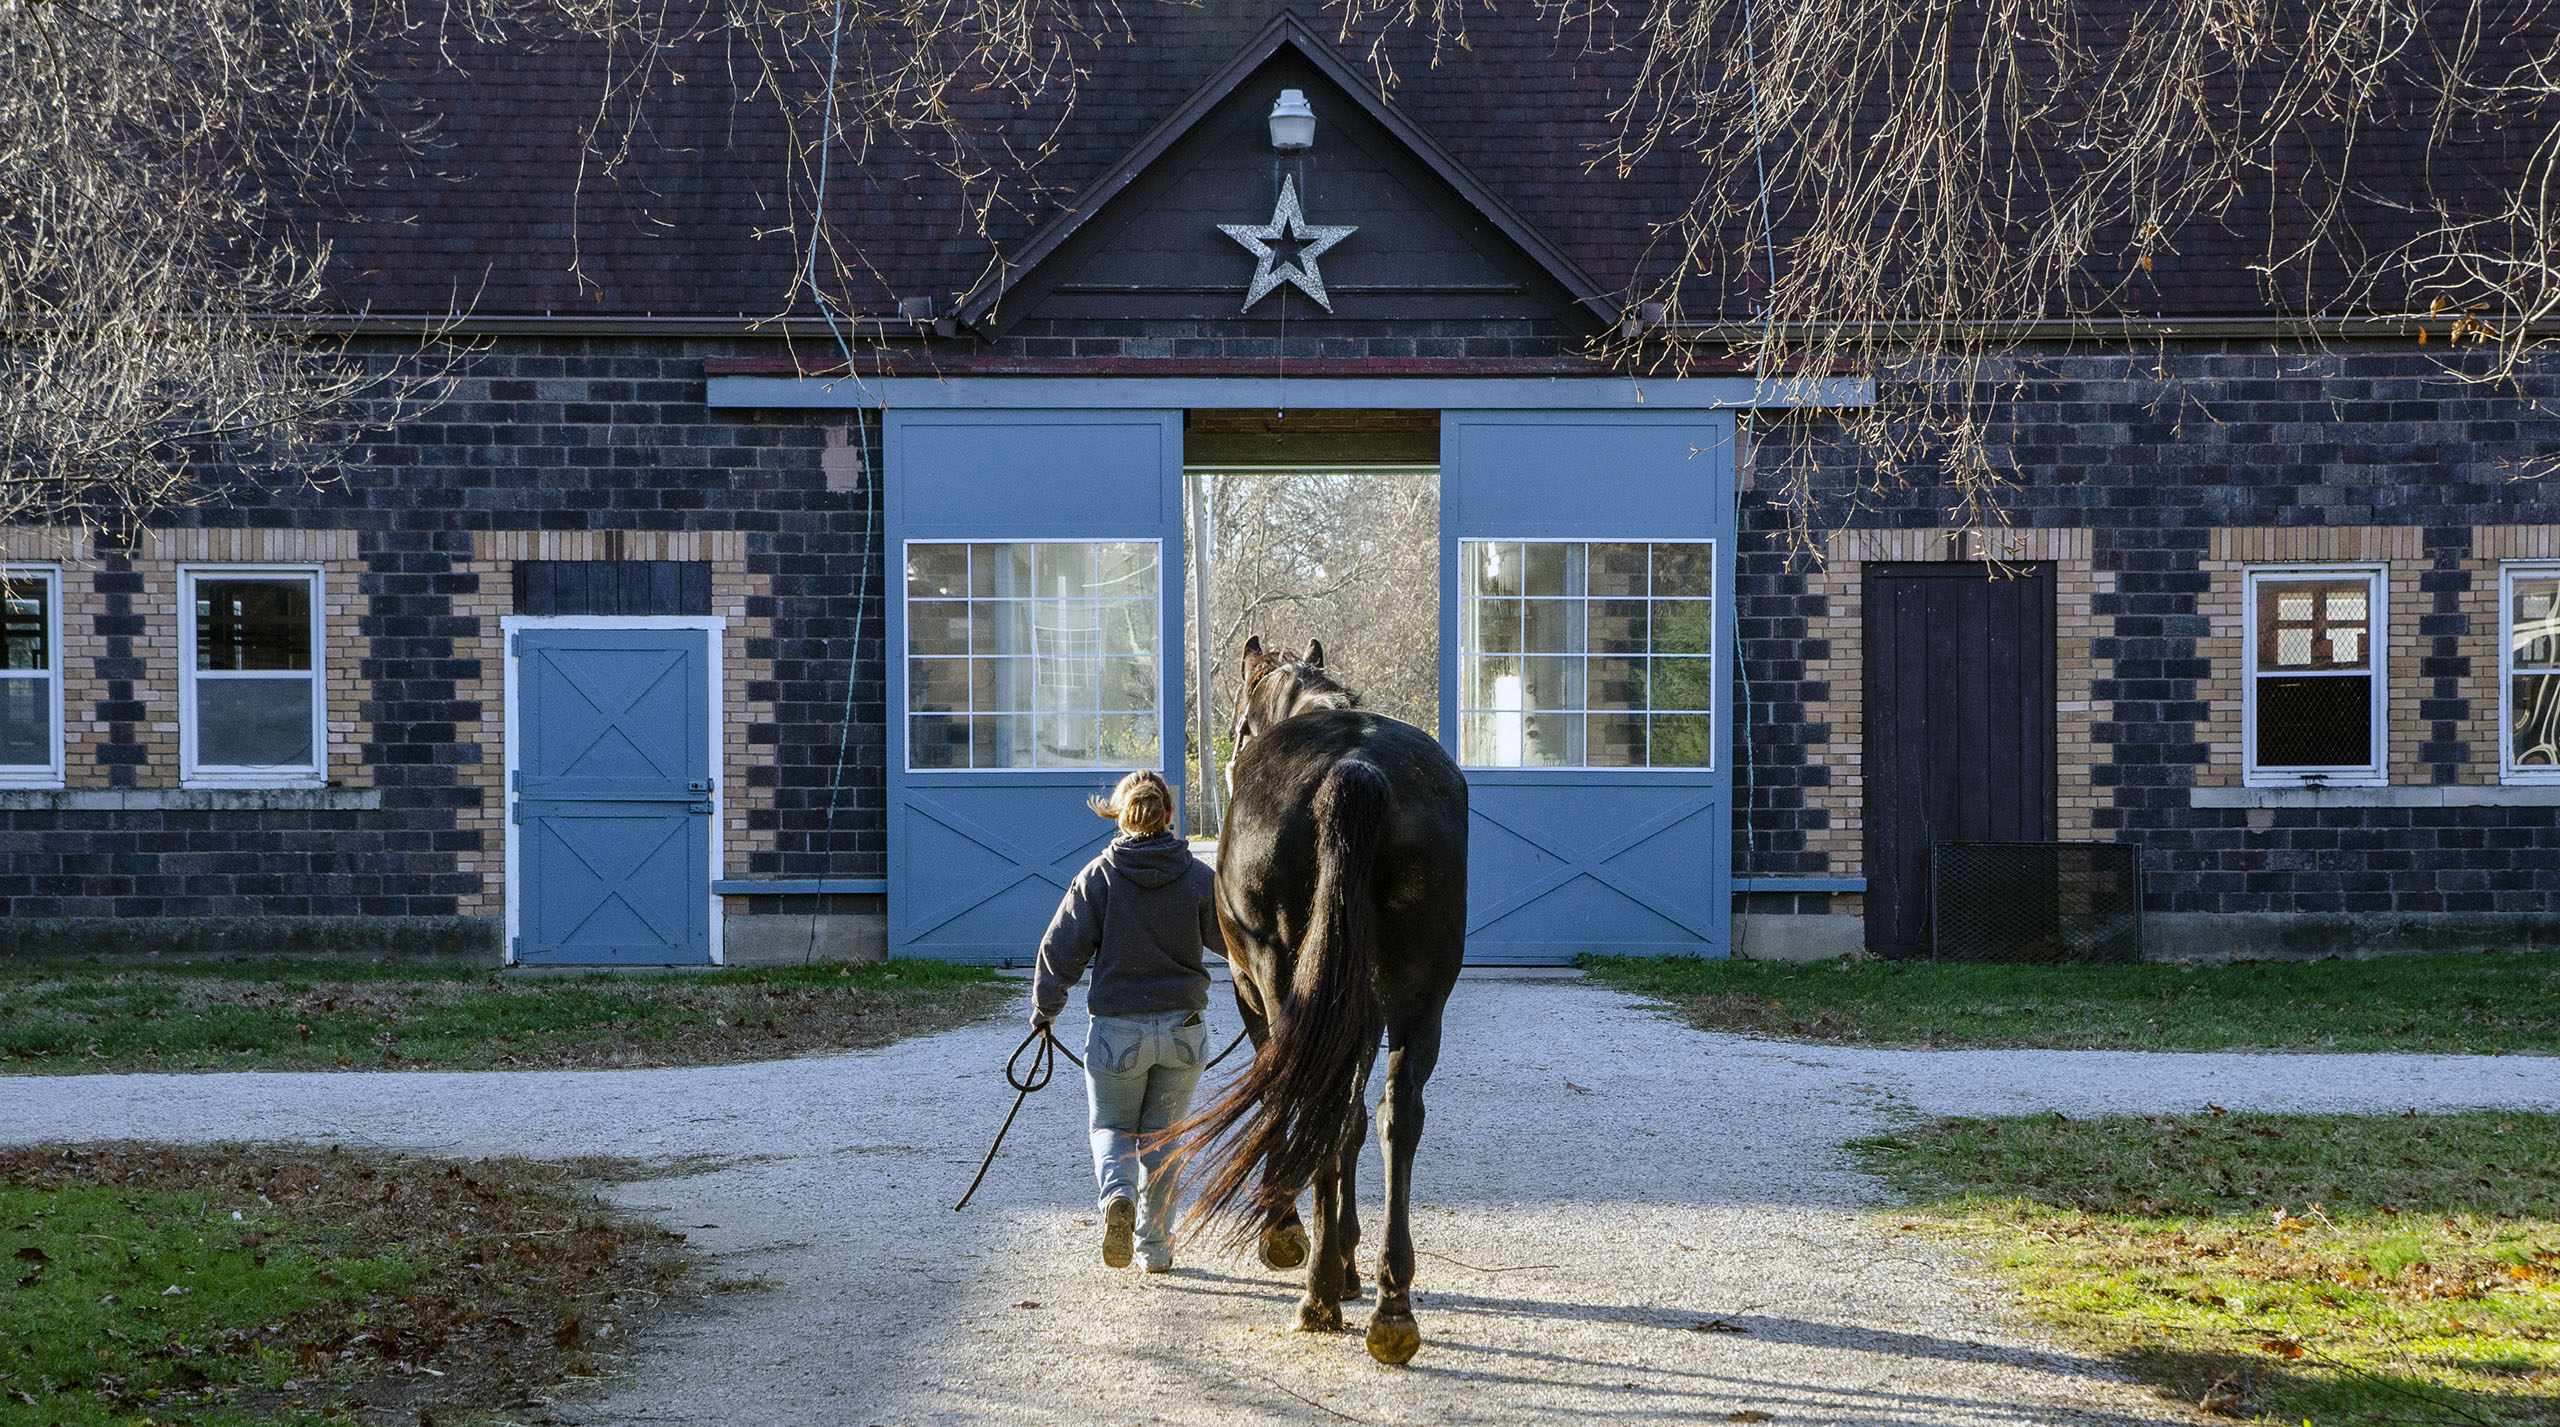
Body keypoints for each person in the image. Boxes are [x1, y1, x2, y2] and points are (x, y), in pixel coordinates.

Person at [1031, 769, 1223, 1273]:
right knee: (1164, 1138)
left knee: (1112, 1127)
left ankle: (1118, 1196)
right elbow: (1236, 943)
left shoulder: (1098, 876)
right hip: (1184, 1031)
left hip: (1117, 1031)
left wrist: (1045, 1012)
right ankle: (1155, 1251)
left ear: (1119, 814)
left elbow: (1059, 951)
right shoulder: (1200, 877)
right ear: (1168, 816)